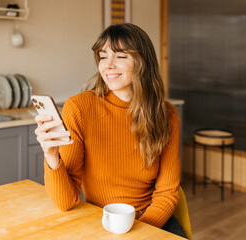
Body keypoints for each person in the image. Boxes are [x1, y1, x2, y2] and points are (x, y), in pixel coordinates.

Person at [35, 23, 186, 238]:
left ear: (143, 62)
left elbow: (167, 193)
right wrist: (52, 156)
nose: (108, 65)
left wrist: (139, 232)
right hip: (102, 224)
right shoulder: (79, 108)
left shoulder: (167, 115)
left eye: (121, 57)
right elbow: (65, 202)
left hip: (153, 222)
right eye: (103, 56)